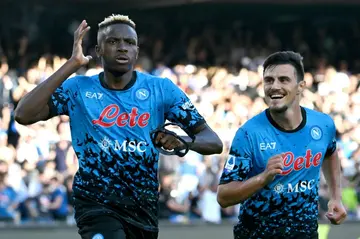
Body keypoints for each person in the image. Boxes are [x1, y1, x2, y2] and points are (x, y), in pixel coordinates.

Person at [14, 14, 223, 239]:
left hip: (143, 208)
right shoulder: (78, 89)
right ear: (98, 50)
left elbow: (214, 142)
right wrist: (72, 64)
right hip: (95, 203)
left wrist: (185, 141)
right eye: (113, 42)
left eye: (129, 43)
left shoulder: (161, 89)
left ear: (137, 51)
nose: (122, 48)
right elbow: (23, 114)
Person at [217, 51, 347, 239]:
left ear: (300, 86)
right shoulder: (248, 134)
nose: (274, 86)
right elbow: (223, 196)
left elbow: (330, 152)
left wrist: (336, 197)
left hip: (306, 234)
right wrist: (262, 178)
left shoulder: (323, 124)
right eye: (269, 80)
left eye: (283, 80)